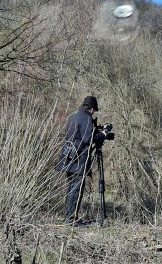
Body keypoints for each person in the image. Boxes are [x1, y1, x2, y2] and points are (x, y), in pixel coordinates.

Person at [56, 96, 107, 226]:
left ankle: (69, 216)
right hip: (79, 158)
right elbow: (88, 139)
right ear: (91, 108)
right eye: (94, 110)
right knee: (76, 188)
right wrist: (103, 134)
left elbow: (78, 134)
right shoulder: (86, 117)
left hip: (69, 156)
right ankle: (71, 219)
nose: (94, 112)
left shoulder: (74, 115)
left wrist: (96, 129)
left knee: (71, 187)